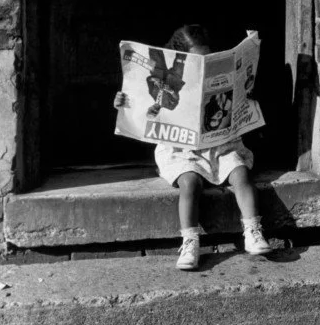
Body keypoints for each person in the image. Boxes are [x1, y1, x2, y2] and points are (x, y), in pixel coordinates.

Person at [113, 23, 271, 270]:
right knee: (190, 182)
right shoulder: (163, 78)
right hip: (181, 149)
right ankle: (190, 241)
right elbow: (143, 107)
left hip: (220, 144)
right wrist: (124, 102)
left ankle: (253, 230)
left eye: (208, 59)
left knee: (240, 173)